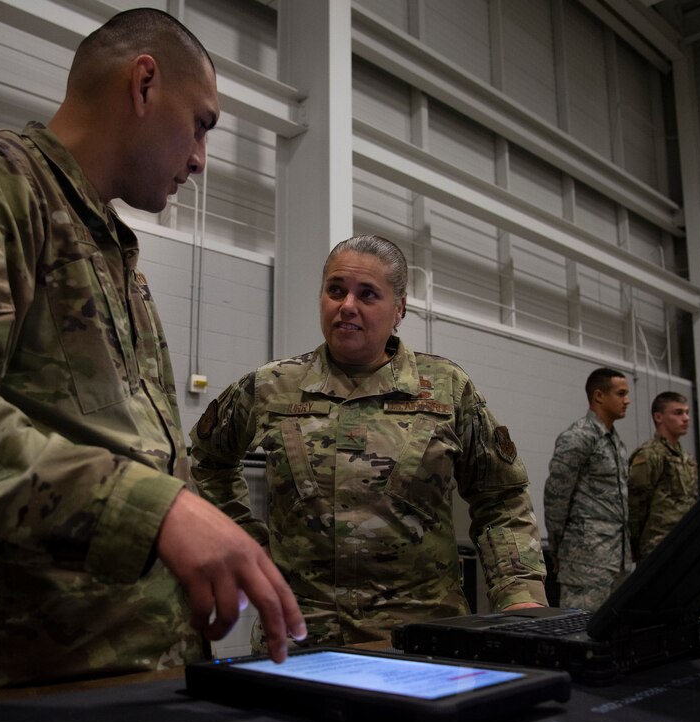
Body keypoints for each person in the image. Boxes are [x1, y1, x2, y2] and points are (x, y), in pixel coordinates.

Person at [0, 8, 304, 696]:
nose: (200, 159)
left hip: (136, 674)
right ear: (145, 84)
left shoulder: (111, 249)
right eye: (202, 124)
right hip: (26, 686)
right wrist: (157, 509)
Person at [189, 235, 547, 648]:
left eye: (368, 294)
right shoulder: (273, 385)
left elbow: (500, 495)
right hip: (301, 640)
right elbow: (207, 458)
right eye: (335, 290)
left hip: (421, 640)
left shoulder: (446, 389)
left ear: (400, 309)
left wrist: (520, 593)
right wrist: (244, 543)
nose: (347, 306)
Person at [544, 367, 631, 612]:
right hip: (585, 561)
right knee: (580, 630)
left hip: (617, 559)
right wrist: (557, 547)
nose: (628, 400)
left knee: (615, 634)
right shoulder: (578, 437)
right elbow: (556, 496)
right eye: (621, 393)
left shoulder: (615, 441)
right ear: (599, 396)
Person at [627, 392, 699, 561]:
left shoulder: (686, 457)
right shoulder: (649, 454)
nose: (686, 418)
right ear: (658, 417)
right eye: (678, 412)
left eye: (687, 412)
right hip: (657, 546)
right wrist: (635, 546)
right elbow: (636, 504)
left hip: (685, 542)